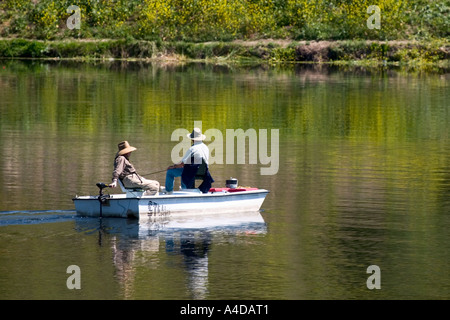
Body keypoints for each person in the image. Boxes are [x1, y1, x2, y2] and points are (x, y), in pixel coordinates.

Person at [165, 128, 213, 193]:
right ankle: (186, 188)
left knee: (170, 172)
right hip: (204, 172)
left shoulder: (192, 149)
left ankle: (169, 191)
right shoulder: (206, 148)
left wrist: (173, 167)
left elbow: (182, 164)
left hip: (192, 172)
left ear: (192, 139)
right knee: (186, 169)